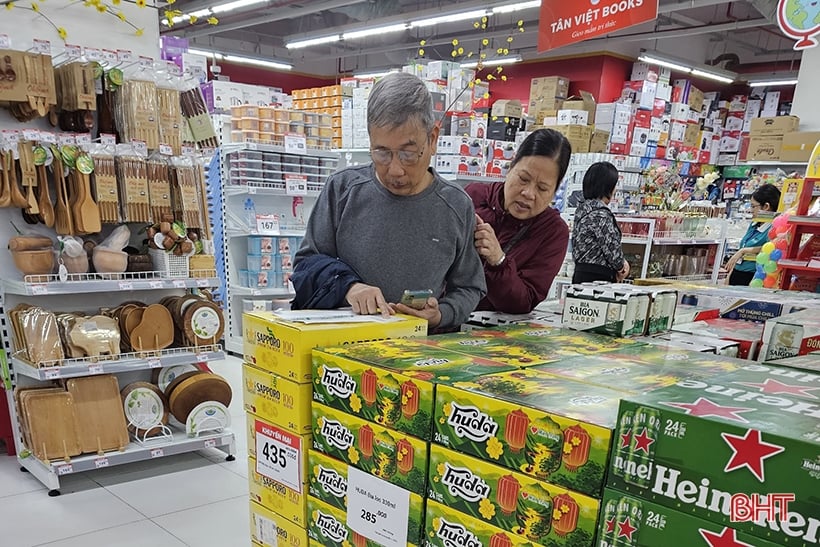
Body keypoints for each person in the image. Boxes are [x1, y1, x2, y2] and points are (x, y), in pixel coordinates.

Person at [291, 72, 486, 331]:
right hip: (343, 349)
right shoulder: (343, 189)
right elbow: (305, 265)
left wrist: (442, 314)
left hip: (421, 355)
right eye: (381, 152)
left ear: (433, 139)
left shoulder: (456, 205)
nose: (395, 169)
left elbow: (470, 287)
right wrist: (348, 287)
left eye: (408, 153)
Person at [465, 129, 571, 314]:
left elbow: (524, 302)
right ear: (510, 166)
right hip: (436, 319)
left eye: (542, 188)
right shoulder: (473, 197)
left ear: (555, 191)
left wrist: (498, 261)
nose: (529, 193)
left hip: (492, 337)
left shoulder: (553, 232)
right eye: (523, 179)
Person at [571, 161, 630, 283]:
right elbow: (613, 253)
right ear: (608, 187)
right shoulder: (601, 215)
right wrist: (622, 267)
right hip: (598, 279)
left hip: (580, 275)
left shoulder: (582, 211)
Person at [725, 183, 781, 286]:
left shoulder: (774, 228)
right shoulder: (754, 224)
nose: (751, 210)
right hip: (737, 274)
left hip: (754, 277)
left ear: (766, 206)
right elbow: (744, 246)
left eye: (753, 206)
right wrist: (730, 275)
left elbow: (770, 248)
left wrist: (743, 251)